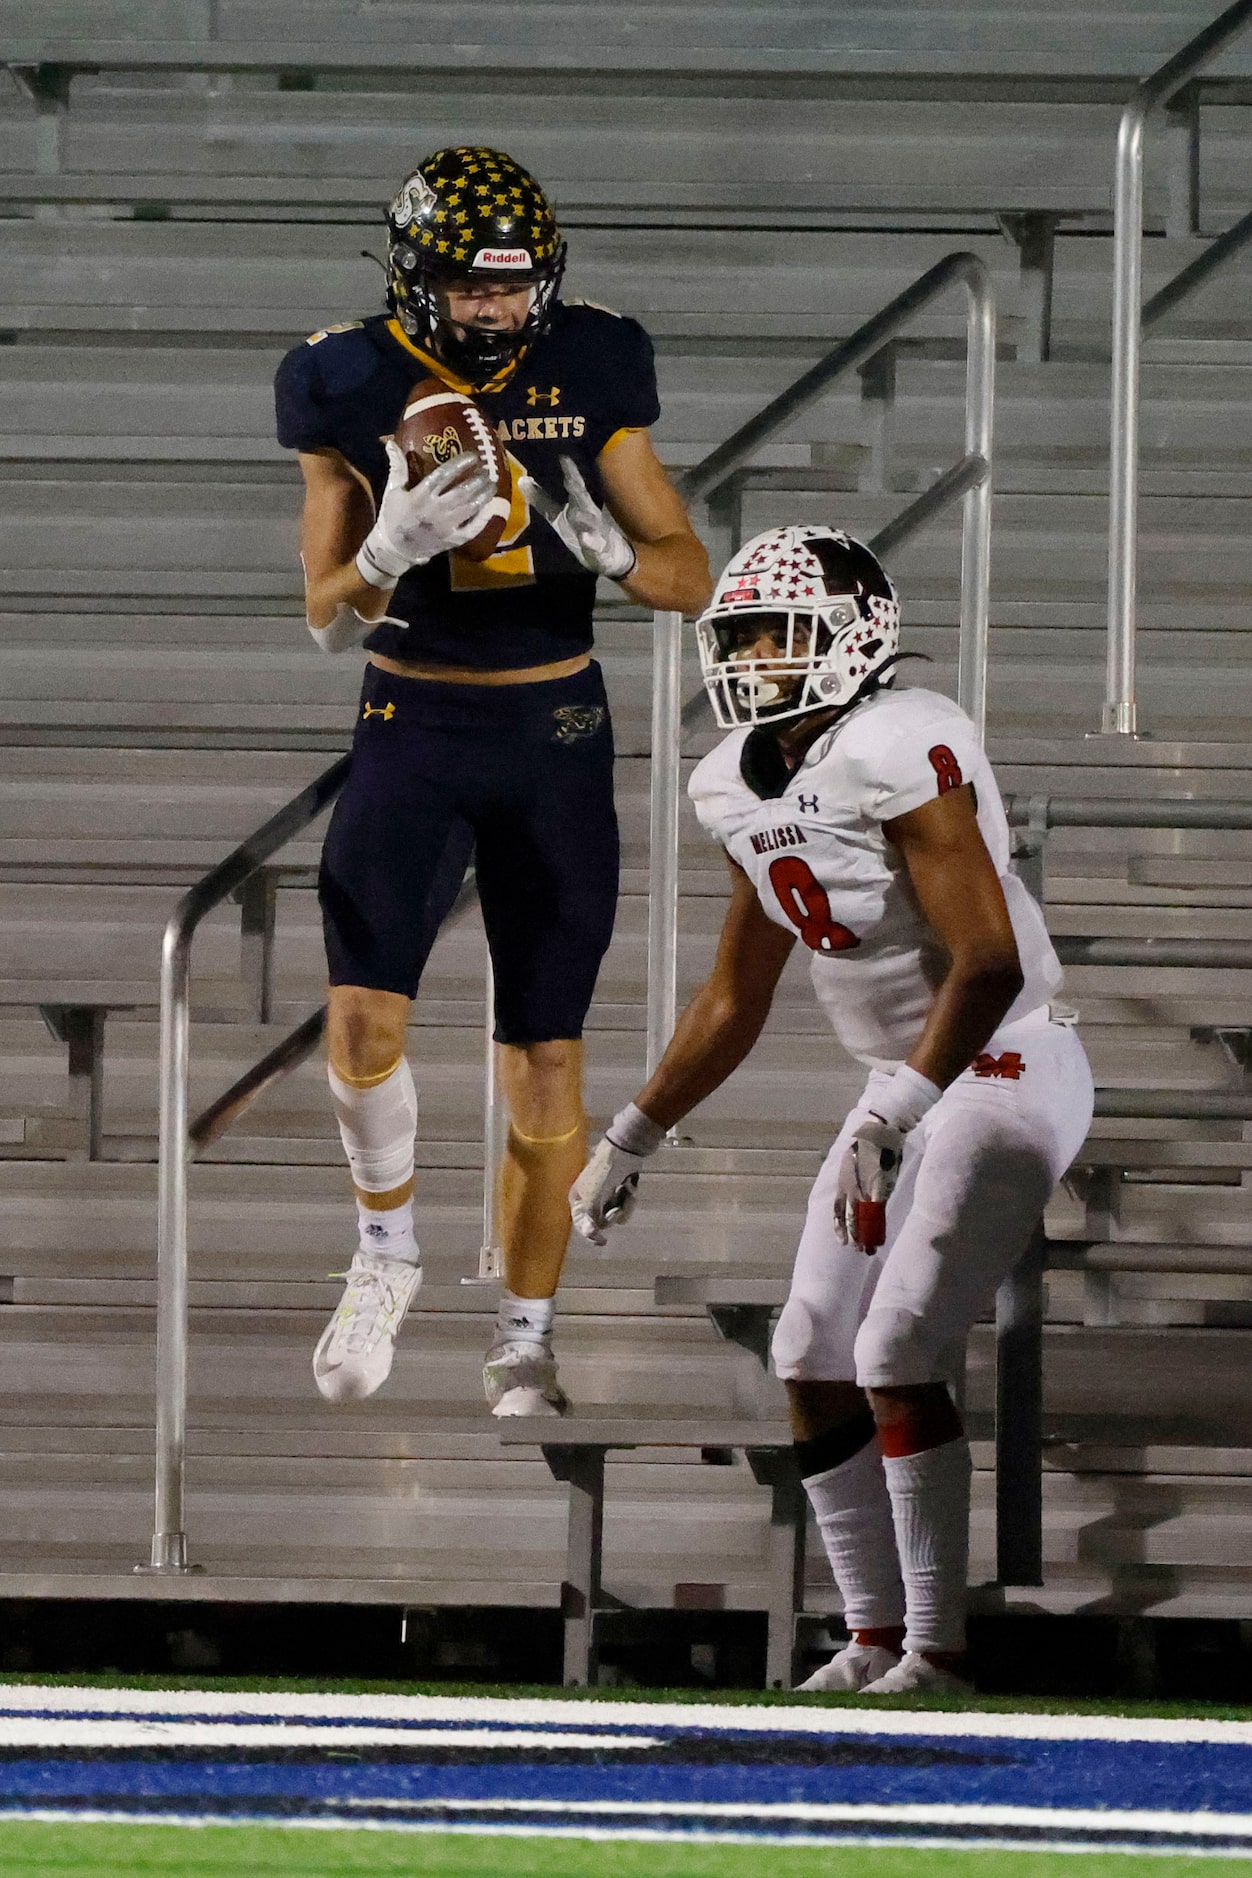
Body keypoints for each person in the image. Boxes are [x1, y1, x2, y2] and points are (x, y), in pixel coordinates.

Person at [569, 524, 1093, 1693]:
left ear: (855, 637)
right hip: (897, 1091)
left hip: (1002, 1065)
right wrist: (630, 1134)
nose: (752, 657)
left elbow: (990, 962)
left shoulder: (906, 740)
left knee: (897, 1344)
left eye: (776, 632)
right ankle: (865, 1640)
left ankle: (938, 1653)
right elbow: (733, 991)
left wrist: (897, 1111)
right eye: (740, 634)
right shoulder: (737, 781)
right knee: (809, 1350)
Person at [273, 146, 711, 1417]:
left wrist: (619, 553)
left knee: (548, 1061)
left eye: (512, 291)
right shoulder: (342, 376)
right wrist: (386, 554)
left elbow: (692, 577)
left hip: (556, 731)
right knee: (360, 1023)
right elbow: (319, 612)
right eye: (470, 290)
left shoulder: (594, 359)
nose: (496, 311)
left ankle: (527, 1329)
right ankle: (385, 1253)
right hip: (414, 718)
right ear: (417, 280)